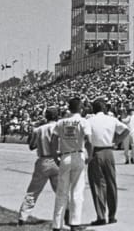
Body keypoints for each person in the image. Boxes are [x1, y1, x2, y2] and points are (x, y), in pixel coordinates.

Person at [86, 98, 126, 226]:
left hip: (96, 151)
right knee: (111, 183)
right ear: (104, 108)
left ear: (93, 109)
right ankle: (112, 215)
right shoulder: (111, 119)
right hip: (108, 151)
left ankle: (101, 215)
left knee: (98, 184)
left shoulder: (89, 121)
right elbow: (126, 130)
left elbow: (86, 139)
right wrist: (116, 142)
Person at [17, 108, 59, 227]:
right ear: (57, 116)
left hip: (43, 160)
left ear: (46, 117)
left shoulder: (39, 129)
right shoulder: (60, 127)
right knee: (61, 190)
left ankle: (23, 217)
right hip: (57, 160)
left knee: (33, 191)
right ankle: (66, 213)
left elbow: (31, 146)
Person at [53, 97, 91, 231]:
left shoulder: (61, 122)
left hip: (64, 155)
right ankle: (75, 223)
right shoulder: (83, 121)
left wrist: (54, 155)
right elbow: (89, 140)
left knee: (61, 192)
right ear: (80, 108)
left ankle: (57, 224)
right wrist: (89, 156)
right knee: (77, 191)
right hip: (78, 154)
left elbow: (53, 138)